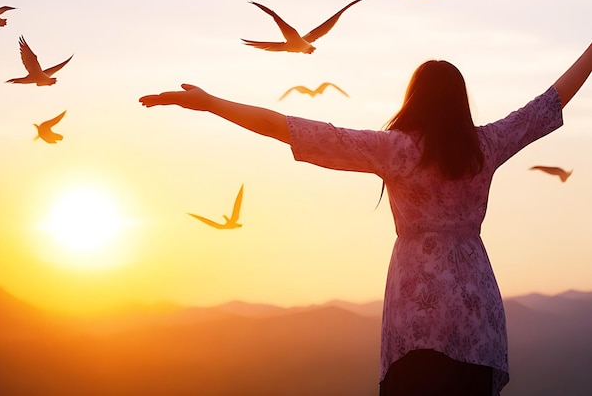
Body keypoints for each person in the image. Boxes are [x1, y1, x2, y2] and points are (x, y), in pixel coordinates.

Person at [139, 43, 592, 396]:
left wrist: (213, 103)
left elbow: (291, 128)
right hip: (477, 318)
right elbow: (550, 101)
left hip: (415, 314)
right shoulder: (485, 146)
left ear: (414, 99)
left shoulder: (395, 149)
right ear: (460, 102)